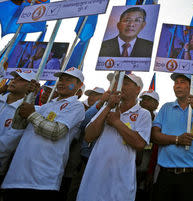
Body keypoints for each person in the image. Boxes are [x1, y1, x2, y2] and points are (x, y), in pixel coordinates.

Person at [1, 67, 85, 201]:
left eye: (68, 80)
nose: (62, 82)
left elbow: (56, 132)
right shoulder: (46, 106)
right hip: (16, 177)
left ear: (79, 85)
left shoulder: (76, 106)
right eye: (61, 79)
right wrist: (29, 96)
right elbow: (18, 125)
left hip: (42, 181)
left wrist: (32, 114)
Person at [76, 73, 150, 201]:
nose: (120, 86)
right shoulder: (106, 108)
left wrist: (117, 123)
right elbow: (88, 137)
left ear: (138, 89)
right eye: (119, 83)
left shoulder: (143, 114)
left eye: (125, 83)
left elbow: (139, 144)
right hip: (95, 178)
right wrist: (109, 107)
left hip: (120, 180)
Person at [151, 73, 193, 201]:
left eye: (182, 82)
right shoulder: (166, 108)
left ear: (191, 87)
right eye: (176, 82)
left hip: (192, 176)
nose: (177, 86)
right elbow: (154, 136)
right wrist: (177, 139)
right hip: (166, 174)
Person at [0, 70, 37, 179]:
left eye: (20, 80)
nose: (14, 81)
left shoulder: (25, 111)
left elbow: (8, 144)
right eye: (14, 78)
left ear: (30, 86)